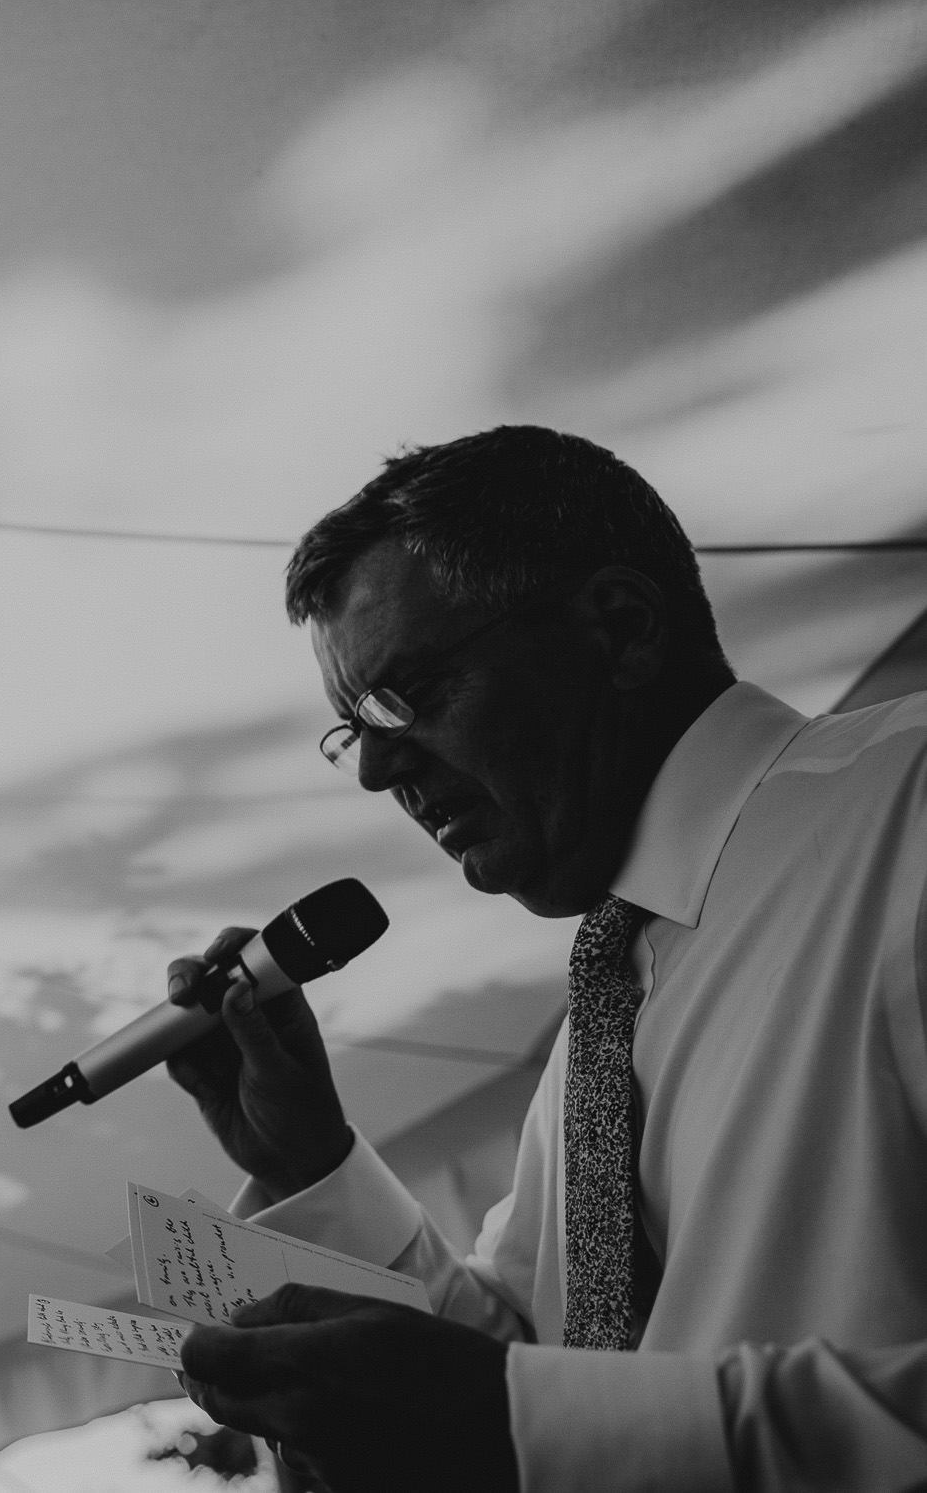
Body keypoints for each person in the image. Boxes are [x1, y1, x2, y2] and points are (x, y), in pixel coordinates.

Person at [160, 425, 927, 1493]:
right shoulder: (601, 1021)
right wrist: (311, 1159)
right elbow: (534, 1361)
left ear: (619, 628)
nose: (377, 768)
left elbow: (537, 1409)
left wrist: (541, 1431)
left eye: (404, 696)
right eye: (351, 729)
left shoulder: (909, 805)